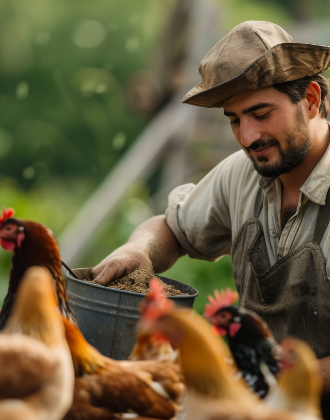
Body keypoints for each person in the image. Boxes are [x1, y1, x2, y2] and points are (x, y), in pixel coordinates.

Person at [92, 21, 330, 396]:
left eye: (261, 113)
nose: (248, 137)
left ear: (312, 100)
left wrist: (270, 383)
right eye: (234, 120)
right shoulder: (244, 173)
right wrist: (140, 250)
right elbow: (170, 229)